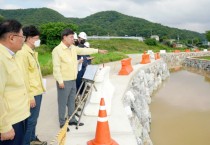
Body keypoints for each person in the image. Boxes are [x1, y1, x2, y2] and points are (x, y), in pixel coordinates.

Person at [52, 29, 107, 132]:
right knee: (62, 102)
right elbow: (56, 68)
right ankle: (62, 122)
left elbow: (85, 50)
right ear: (64, 37)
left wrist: (98, 50)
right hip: (64, 81)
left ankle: (72, 119)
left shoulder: (72, 48)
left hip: (73, 79)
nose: (73, 39)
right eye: (71, 37)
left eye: (73, 37)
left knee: (72, 101)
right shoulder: (57, 50)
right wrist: (60, 81)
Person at [0, 19, 30, 145]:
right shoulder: (1, 59)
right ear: (12, 38)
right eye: (22, 36)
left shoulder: (12, 55)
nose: (24, 39)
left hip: (19, 116)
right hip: (10, 122)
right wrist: (5, 126)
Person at [16, 26, 47, 145]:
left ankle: (32, 139)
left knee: (33, 120)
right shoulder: (23, 54)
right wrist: (30, 96)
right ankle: (26, 142)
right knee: (30, 122)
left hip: (37, 91)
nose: (38, 40)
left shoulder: (31, 52)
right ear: (28, 38)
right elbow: (24, 77)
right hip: (32, 93)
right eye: (36, 38)